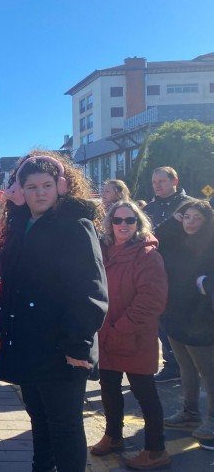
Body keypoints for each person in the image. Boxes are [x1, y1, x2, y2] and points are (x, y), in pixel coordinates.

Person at [0, 152, 108, 472]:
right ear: (21, 190)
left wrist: (77, 346)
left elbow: (90, 291)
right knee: (40, 422)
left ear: (61, 186)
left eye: (46, 185)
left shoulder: (75, 225)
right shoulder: (21, 224)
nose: (39, 192)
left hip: (61, 348)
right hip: (29, 344)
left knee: (65, 426)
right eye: (31, 187)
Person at [91, 201, 170, 469]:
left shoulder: (148, 255)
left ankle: (156, 450)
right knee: (109, 390)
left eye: (130, 220)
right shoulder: (102, 250)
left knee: (145, 394)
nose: (123, 225)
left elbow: (152, 300)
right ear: (109, 223)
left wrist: (120, 329)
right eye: (117, 220)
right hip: (107, 335)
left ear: (138, 223)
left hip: (135, 337)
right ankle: (113, 436)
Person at [155, 200, 214, 440]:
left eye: (196, 218)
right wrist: (173, 219)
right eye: (186, 216)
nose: (190, 222)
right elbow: (154, 238)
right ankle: (190, 413)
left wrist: (203, 286)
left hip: (201, 319)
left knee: (208, 372)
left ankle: (212, 420)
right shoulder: (175, 240)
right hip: (175, 314)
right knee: (185, 368)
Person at [144, 167, 193, 383]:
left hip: (187, 271)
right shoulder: (150, 208)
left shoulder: (190, 204)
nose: (157, 186)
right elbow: (148, 237)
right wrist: (172, 223)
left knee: (189, 317)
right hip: (158, 271)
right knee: (161, 319)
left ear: (175, 180)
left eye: (162, 181)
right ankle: (172, 363)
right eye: (154, 182)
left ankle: (193, 363)